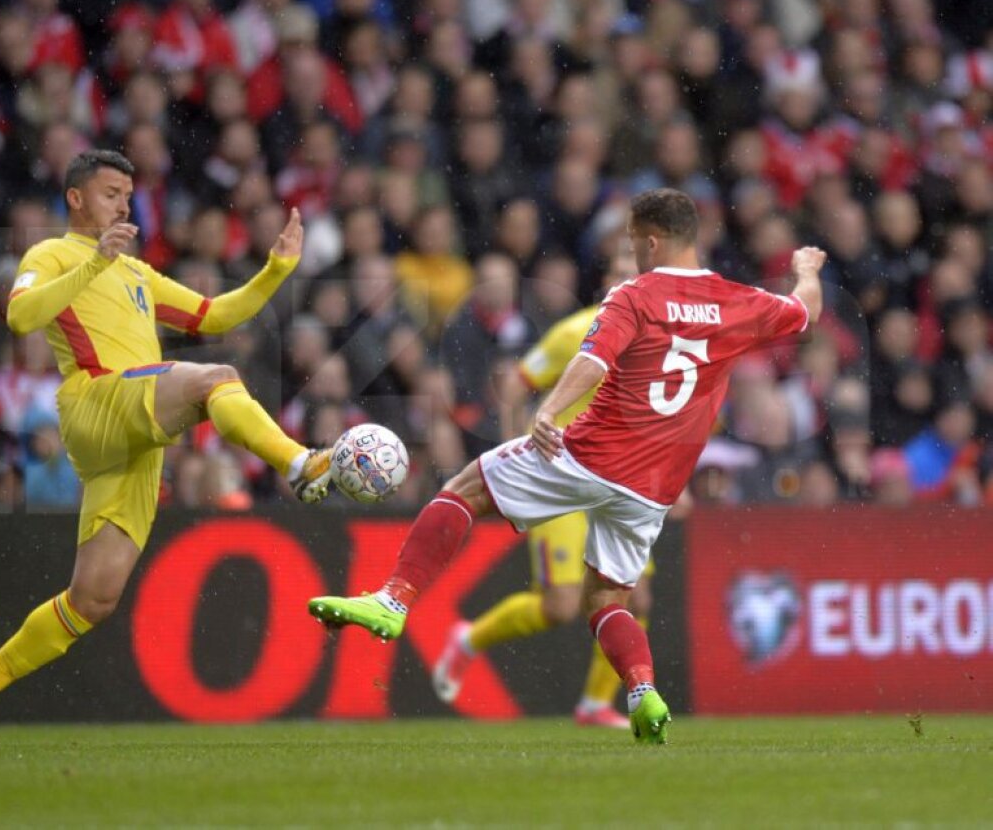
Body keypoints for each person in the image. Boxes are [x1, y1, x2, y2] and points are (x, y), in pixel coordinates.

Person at [310, 189, 825, 744]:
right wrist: (805, 269)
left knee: (463, 489)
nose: (632, 252)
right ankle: (641, 690)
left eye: (632, 241)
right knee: (607, 597)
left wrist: (549, 412)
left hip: (587, 454)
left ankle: (393, 600)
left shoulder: (634, 296)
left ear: (651, 240)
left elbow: (592, 359)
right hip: (653, 489)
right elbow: (805, 312)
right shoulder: (733, 299)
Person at [0, 150, 333, 748]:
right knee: (215, 378)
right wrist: (92, 264)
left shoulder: (138, 274)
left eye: (127, 194)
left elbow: (214, 314)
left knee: (93, 599)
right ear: (75, 199)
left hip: (134, 436)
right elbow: (21, 317)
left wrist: (276, 270)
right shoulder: (51, 254)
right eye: (109, 193)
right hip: (96, 402)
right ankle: (300, 464)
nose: (123, 204)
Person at [431, 254, 655, 729]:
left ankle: (595, 705)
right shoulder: (574, 333)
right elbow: (515, 385)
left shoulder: (656, 340)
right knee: (560, 606)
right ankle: (469, 639)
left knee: (638, 598)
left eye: (636, 276)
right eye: (619, 275)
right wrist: (520, 453)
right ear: (606, 284)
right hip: (567, 481)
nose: (629, 283)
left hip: (623, 485)